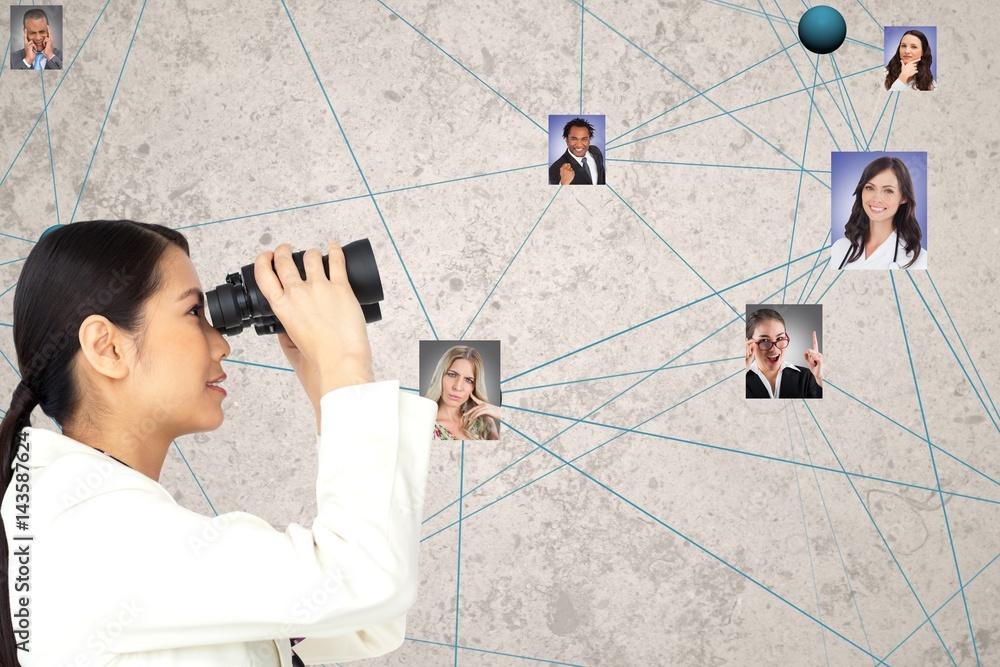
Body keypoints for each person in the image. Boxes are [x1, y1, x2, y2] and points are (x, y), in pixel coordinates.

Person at [0, 220, 436, 666]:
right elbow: (365, 580)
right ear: (108, 348)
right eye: (193, 313)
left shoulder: (85, 518)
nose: (221, 344)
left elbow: (362, 619)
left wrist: (331, 391)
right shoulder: (86, 535)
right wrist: (344, 362)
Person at [831, 155, 927, 270]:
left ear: (903, 198)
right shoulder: (840, 248)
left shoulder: (919, 260)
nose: (877, 198)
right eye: (870, 188)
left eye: (888, 191)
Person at [424, 345, 500, 440]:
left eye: (468, 380)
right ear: (440, 376)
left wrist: (501, 414)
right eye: (452, 375)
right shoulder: (423, 425)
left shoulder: (482, 423)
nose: (458, 387)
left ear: (474, 387)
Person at [745, 308, 823, 399]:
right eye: (764, 340)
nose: (774, 349)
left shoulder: (807, 377)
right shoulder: (741, 379)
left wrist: (820, 379)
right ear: (748, 343)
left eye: (780, 338)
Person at [548, 118, 606, 185]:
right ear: (567, 140)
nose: (579, 145)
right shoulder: (555, 169)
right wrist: (563, 183)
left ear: (589, 139)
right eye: (574, 139)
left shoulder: (596, 151)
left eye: (584, 139)